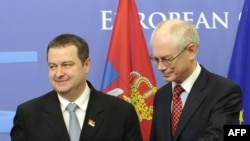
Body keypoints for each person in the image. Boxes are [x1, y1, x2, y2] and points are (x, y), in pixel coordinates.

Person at [10, 34, 143, 141]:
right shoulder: (28, 114)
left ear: (86, 65)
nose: (59, 73)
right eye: (52, 66)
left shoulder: (121, 112)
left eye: (66, 65)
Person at [149, 19, 242, 141]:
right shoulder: (161, 95)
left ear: (191, 51)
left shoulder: (224, 92)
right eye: (156, 59)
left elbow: (217, 137)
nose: (160, 67)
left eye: (167, 59)